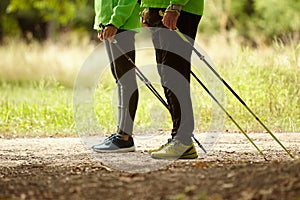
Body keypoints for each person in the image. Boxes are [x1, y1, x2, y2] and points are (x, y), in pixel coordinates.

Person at [140, 0, 204, 159]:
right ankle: (178, 138)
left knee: (175, 75)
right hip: (158, 8)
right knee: (167, 75)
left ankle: (183, 141)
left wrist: (175, 5)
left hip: (177, 8)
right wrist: (146, 7)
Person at [91, 0, 141, 152]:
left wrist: (114, 21)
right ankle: (122, 134)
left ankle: (124, 137)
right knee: (120, 80)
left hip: (121, 24)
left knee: (126, 81)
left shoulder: (118, 23)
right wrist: (102, 22)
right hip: (110, 23)